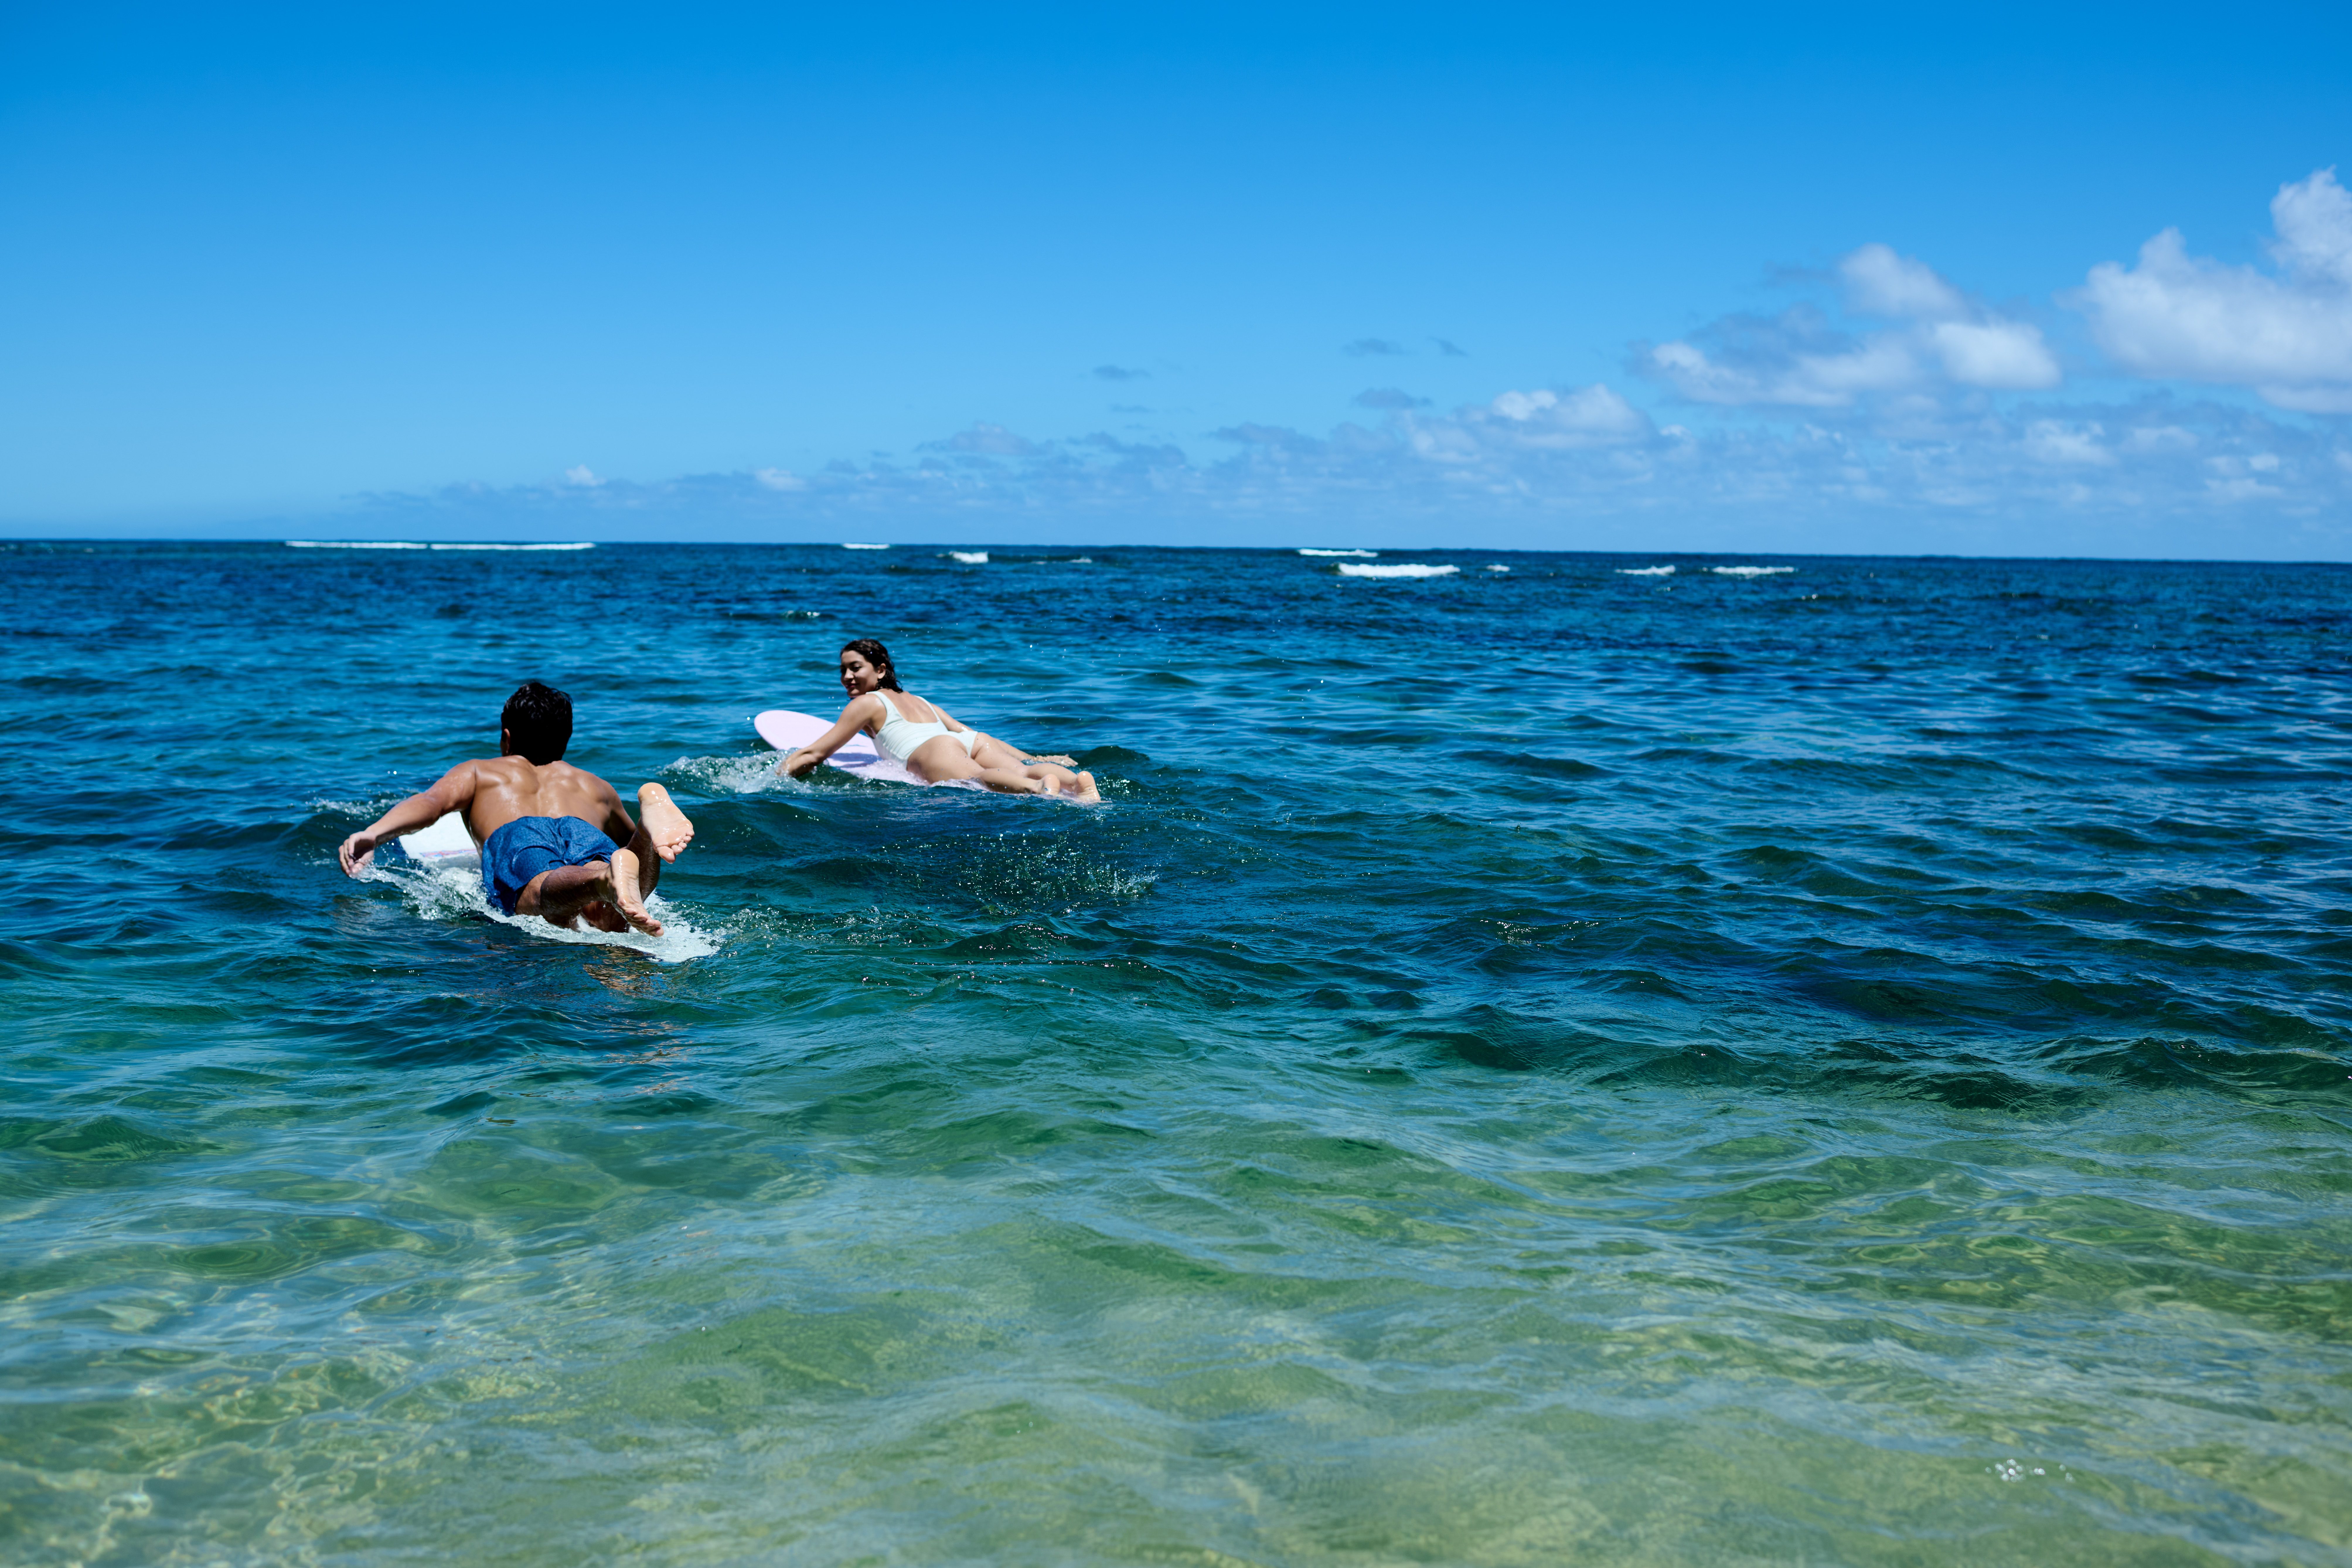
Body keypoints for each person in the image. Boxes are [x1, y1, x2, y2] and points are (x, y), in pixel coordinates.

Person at [338, 681, 696, 937]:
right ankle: (637, 842)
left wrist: (373, 834)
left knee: (538, 893)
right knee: (612, 918)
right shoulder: (594, 785)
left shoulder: (481, 771)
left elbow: (431, 805)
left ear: (506, 737)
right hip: (583, 830)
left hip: (521, 833)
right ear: (565, 740)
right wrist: (638, 844)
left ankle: (602, 878)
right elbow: (621, 839)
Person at [779, 639, 1100, 802]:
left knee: (977, 778)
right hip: (961, 742)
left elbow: (816, 754)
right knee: (1019, 769)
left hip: (932, 750)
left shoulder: (865, 703)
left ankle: (1038, 787)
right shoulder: (920, 701)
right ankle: (1076, 783)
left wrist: (776, 776)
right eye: (842, 671)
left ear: (880, 670)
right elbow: (972, 735)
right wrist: (1035, 758)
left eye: (855, 668)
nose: (847, 677)